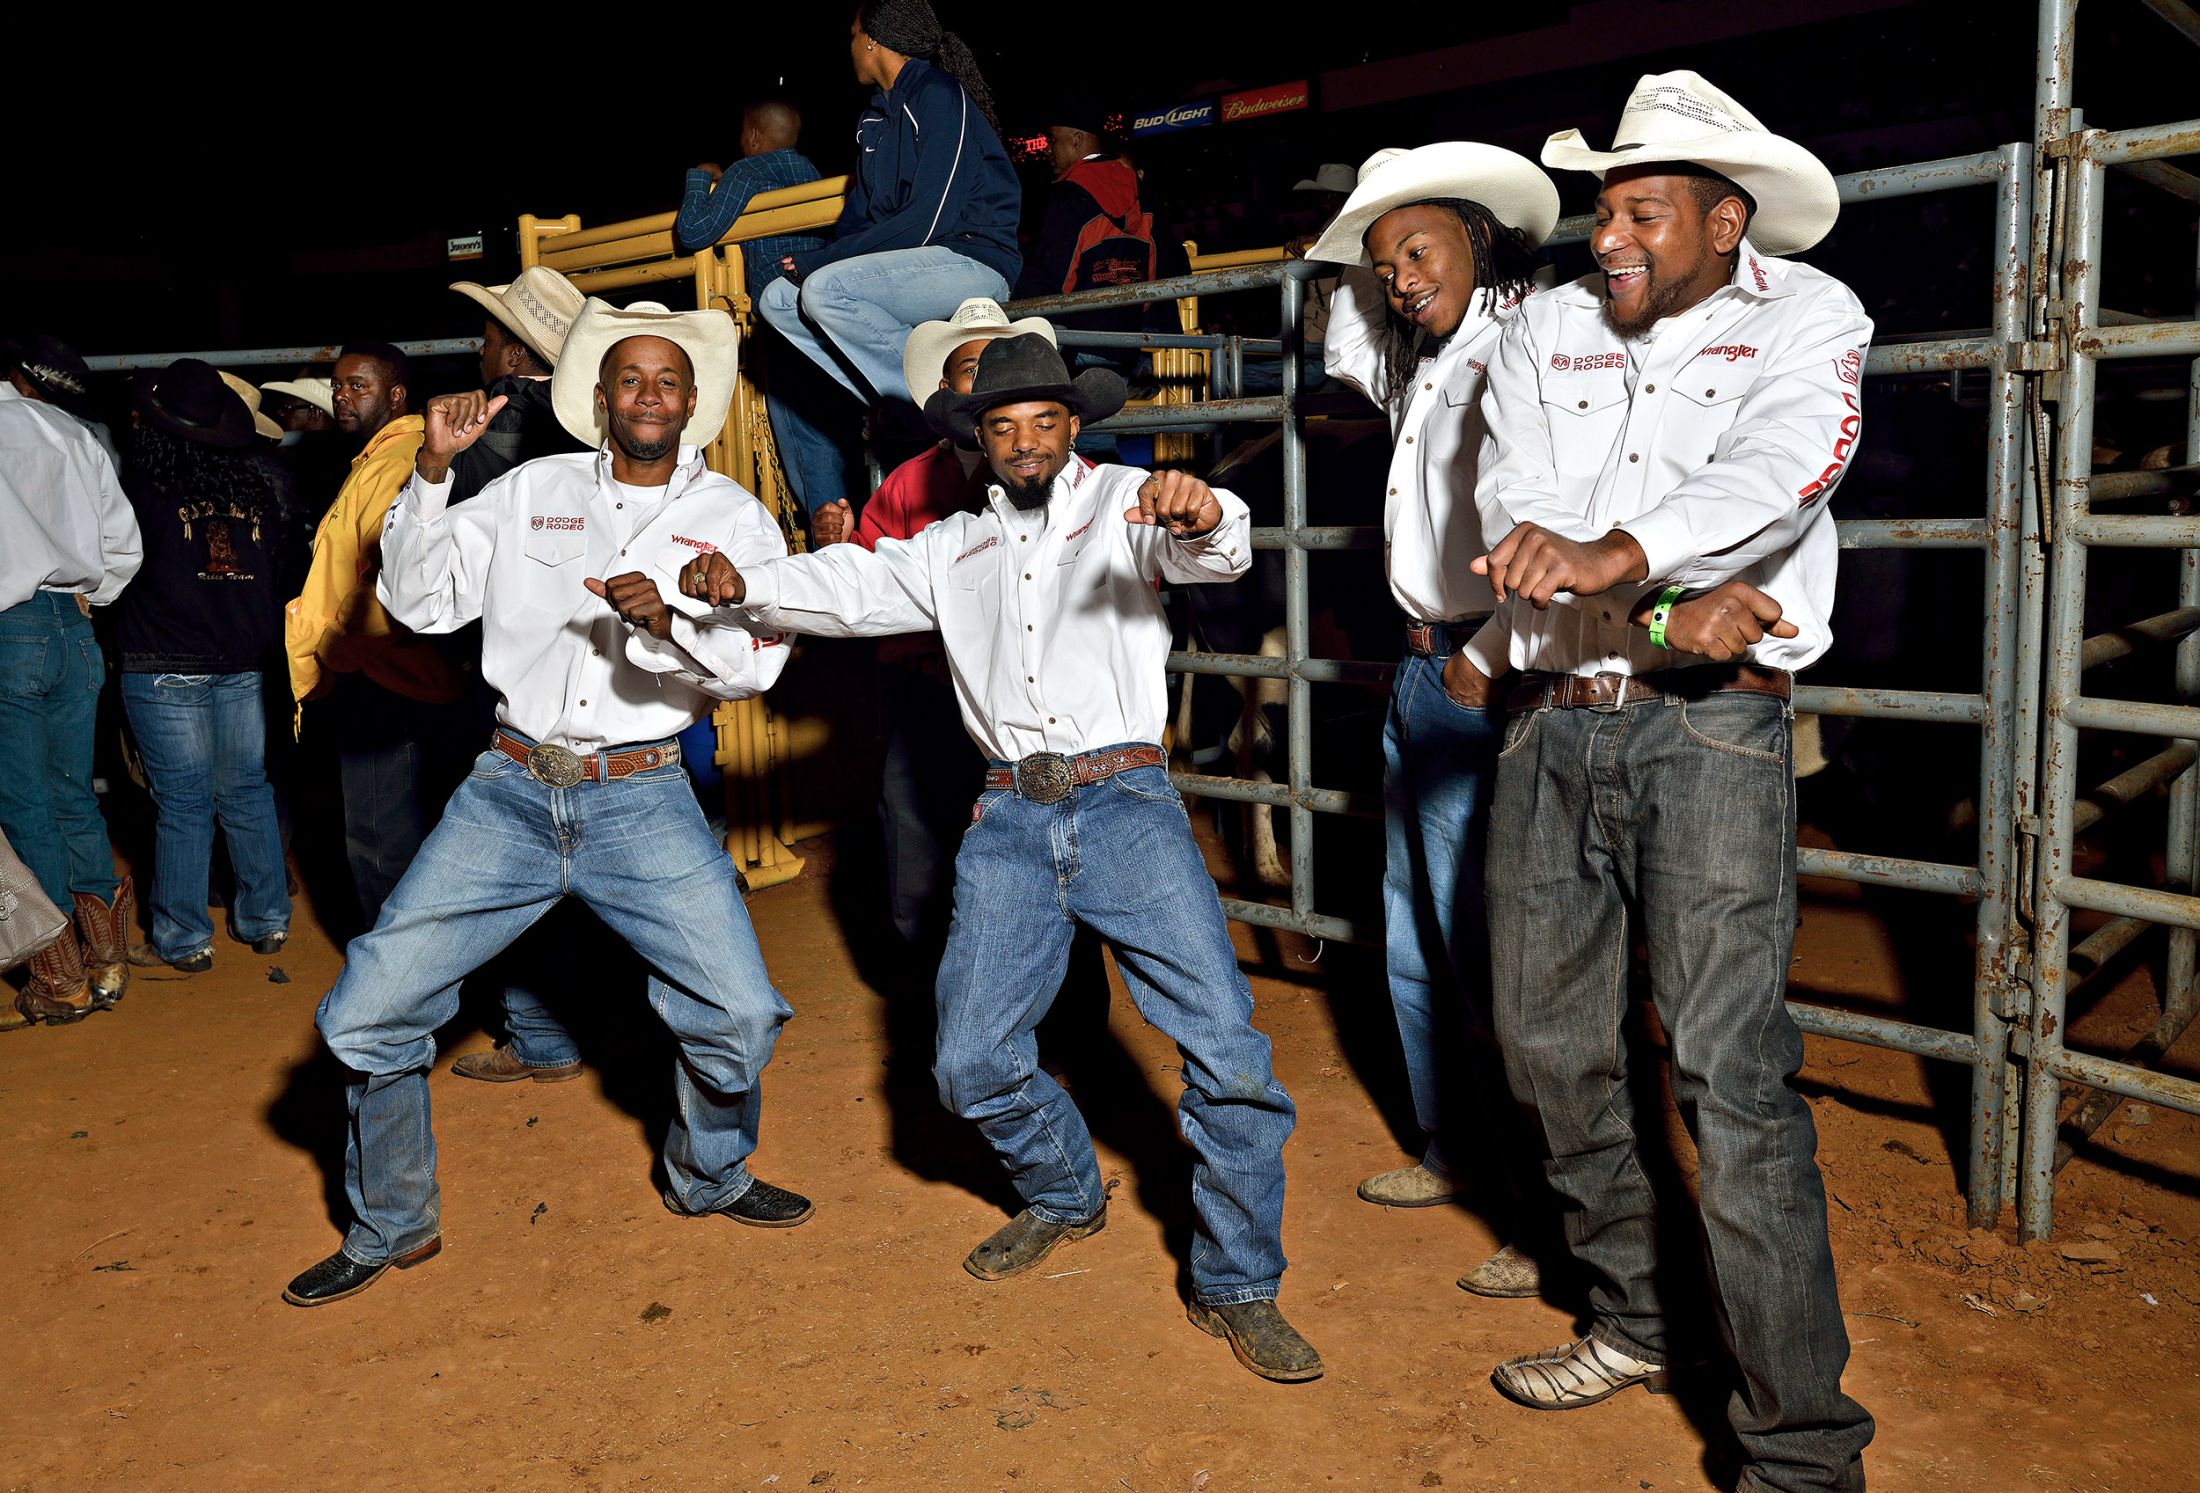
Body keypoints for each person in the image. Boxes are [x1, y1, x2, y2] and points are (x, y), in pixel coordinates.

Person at [680, 334, 1321, 1384]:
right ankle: (1067, 1193)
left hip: (1126, 806)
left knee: (1228, 1058)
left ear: (1074, 426)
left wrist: (1205, 515)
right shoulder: (950, 546)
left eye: (1045, 423)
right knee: (968, 1062)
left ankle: (1238, 1279)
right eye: (1003, 427)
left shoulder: (1127, 500)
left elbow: (1212, 546)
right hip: (1009, 822)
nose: (1024, 443)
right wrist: (736, 582)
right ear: (978, 440)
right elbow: (846, 584)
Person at [1464, 71, 1875, 1490]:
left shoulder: (1810, 319)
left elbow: (1784, 474)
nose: (1610, 238)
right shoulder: (1545, 326)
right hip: (1549, 721)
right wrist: (1645, 607)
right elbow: (1517, 531)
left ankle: (1801, 1453)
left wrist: (1628, 560)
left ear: (1725, 217)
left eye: (1643, 211)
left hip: (1710, 730)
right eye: (1602, 211)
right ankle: (1637, 1319)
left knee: (1730, 1078)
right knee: (1547, 1046)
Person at [283, 298, 812, 1308]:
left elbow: (755, 666)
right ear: (601, 397)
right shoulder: (532, 487)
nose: (648, 393)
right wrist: (431, 476)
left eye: (666, 379)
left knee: (739, 1013)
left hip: (643, 795)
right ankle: (391, 1219)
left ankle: (708, 1172)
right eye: (629, 378)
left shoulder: (737, 517)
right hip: (511, 791)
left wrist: (667, 627)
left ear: (691, 401)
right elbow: (428, 600)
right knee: (367, 1011)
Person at [1306, 142, 1562, 1301]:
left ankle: (1547, 1211)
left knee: (1505, 951)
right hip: (1423, 671)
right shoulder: (1422, 355)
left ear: (1481, 234)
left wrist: (1482, 655)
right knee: (1416, 934)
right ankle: (1454, 1153)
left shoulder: (1534, 335)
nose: (1400, 277)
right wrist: (1367, 253)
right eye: (1383, 262)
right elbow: (1343, 340)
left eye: (1422, 249)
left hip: (1491, 669)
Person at [756, 0, 1020, 432]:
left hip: (973, 259)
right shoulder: (875, 117)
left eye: (853, 35)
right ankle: (898, 403)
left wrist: (822, 265)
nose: (851, 46)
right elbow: (860, 219)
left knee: (824, 288)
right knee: (778, 301)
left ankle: (936, 408)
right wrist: (821, 257)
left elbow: (930, 219)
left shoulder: (937, 93)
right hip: (919, 264)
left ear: (873, 41)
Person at [113, 360, 292, 974]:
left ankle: (184, 938)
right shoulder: (257, 491)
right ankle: (266, 920)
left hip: (163, 661)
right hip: (241, 660)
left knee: (184, 804)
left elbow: (111, 572)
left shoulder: (138, 488)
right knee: (246, 791)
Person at [285, 342, 464, 930]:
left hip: (384, 679)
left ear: (396, 396)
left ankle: (395, 991)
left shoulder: (394, 463)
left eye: (358, 386)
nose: (342, 395)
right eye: (338, 385)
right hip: (391, 675)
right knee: (404, 837)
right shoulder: (378, 457)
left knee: (382, 844)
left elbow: (390, 587)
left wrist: (337, 652)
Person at [0, 335, 141, 1024]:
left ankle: (58, 975)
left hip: (8, 630)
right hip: (72, 625)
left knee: (24, 801)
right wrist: (92, 593)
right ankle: (107, 958)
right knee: (71, 795)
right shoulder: (75, 433)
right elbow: (124, 545)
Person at [671, 101, 849, 521]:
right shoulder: (812, 173)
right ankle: (849, 529)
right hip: (825, 309)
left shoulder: (748, 172)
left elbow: (694, 231)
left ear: (752, 136)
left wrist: (700, 177)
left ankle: (829, 542)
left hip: (781, 314)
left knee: (799, 431)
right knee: (828, 428)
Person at [444, 266, 590, 503]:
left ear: (515, 355)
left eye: (488, 342)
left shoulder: (473, 421)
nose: (481, 351)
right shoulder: (587, 421)